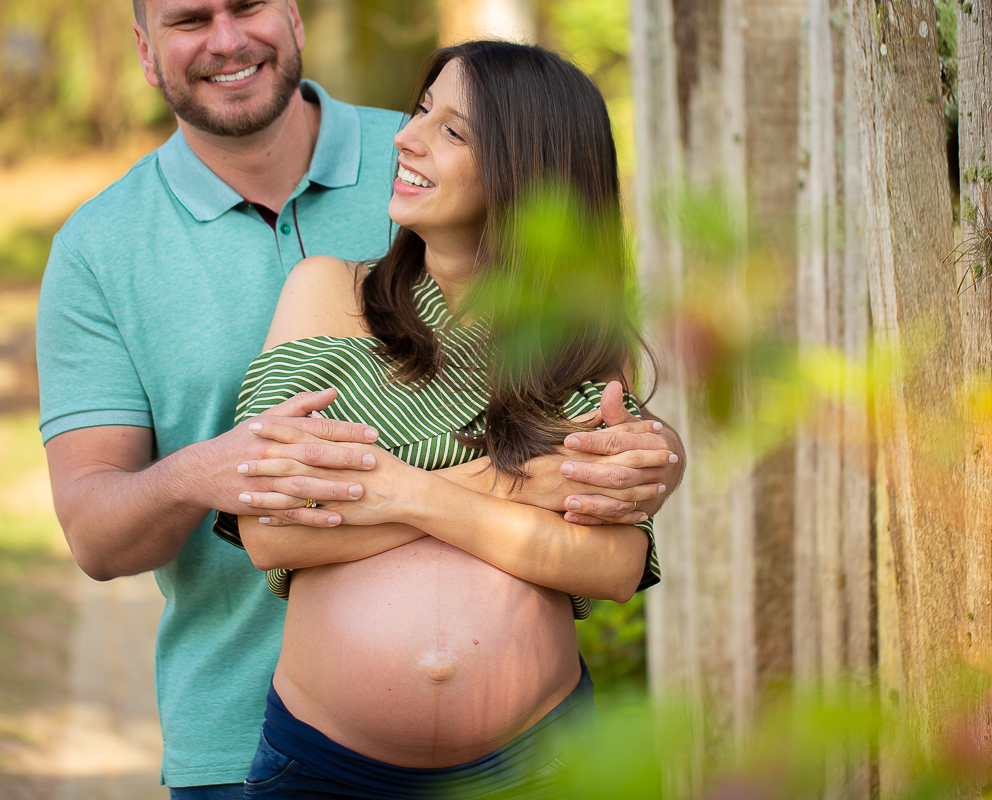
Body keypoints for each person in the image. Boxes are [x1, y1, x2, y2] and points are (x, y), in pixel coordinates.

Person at [34, 1, 685, 797]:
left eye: (248, 4)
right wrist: (510, 485)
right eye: (191, 18)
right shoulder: (104, 248)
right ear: (143, 48)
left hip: (537, 755)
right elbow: (182, 532)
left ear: (294, 14)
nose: (228, 38)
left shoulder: (419, 157)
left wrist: (659, 454)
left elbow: (615, 536)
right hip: (266, 743)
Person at [217, 43, 659, 799]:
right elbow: (270, 532)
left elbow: (612, 566)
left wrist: (397, 491)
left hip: (541, 766)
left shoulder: (574, 339)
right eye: (422, 110)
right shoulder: (328, 294)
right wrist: (511, 487)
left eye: (452, 131)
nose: (405, 137)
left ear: (528, 174)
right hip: (326, 773)